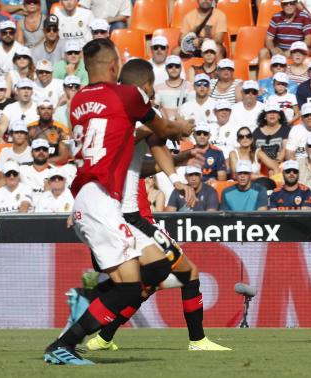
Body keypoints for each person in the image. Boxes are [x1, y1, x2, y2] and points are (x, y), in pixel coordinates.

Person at [43, 38, 194, 365]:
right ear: (114, 67)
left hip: (89, 197)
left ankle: (79, 322)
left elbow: (125, 136)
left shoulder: (77, 101)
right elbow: (163, 128)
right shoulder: (127, 94)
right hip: (103, 202)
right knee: (128, 287)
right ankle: (68, 338)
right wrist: (182, 126)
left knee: (153, 269)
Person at [27, 98, 71, 165]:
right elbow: (24, 151)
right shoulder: (30, 128)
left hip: (55, 166)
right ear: (37, 111)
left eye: (49, 109)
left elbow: (64, 156)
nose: (46, 111)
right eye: (43, 109)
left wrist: (42, 162)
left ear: (53, 111)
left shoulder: (61, 129)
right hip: (33, 165)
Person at [154, 55, 194, 121]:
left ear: (181, 68)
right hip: (166, 127)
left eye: (177, 66)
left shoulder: (189, 87)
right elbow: (155, 109)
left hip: (184, 127)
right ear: (166, 69)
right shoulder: (157, 88)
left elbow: (192, 110)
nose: (174, 69)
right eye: (170, 66)